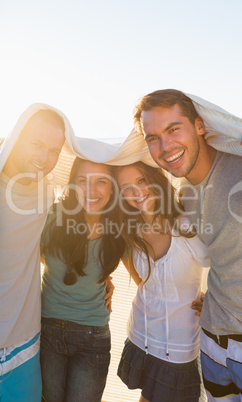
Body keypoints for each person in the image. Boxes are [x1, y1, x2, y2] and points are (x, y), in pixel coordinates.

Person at [132, 89, 242, 401]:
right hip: (211, 342)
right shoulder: (183, 196)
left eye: (173, 129)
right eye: (152, 138)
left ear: (200, 126)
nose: (165, 147)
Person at [115, 161, 209, 402]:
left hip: (178, 349)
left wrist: (213, 298)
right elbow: (134, 270)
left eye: (141, 181)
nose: (136, 193)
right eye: (126, 187)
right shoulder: (130, 228)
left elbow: (223, 265)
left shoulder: (186, 225)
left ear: (155, 179)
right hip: (141, 334)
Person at [40, 157, 125, 402]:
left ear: (112, 187)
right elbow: (34, 257)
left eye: (101, 181)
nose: (91, 190)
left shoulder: (119, 228)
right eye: (82, 181)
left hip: (93, 335)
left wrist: (106, 278)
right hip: (48, 329)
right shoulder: (53, 216)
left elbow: (146, 274)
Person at [0, 106, 68, 402]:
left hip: (22, 343)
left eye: (54, 151)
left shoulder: (46, 192)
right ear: (17, 137)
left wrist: (98, 278)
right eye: (36, 144)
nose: (44, 158)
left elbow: (41, 248)